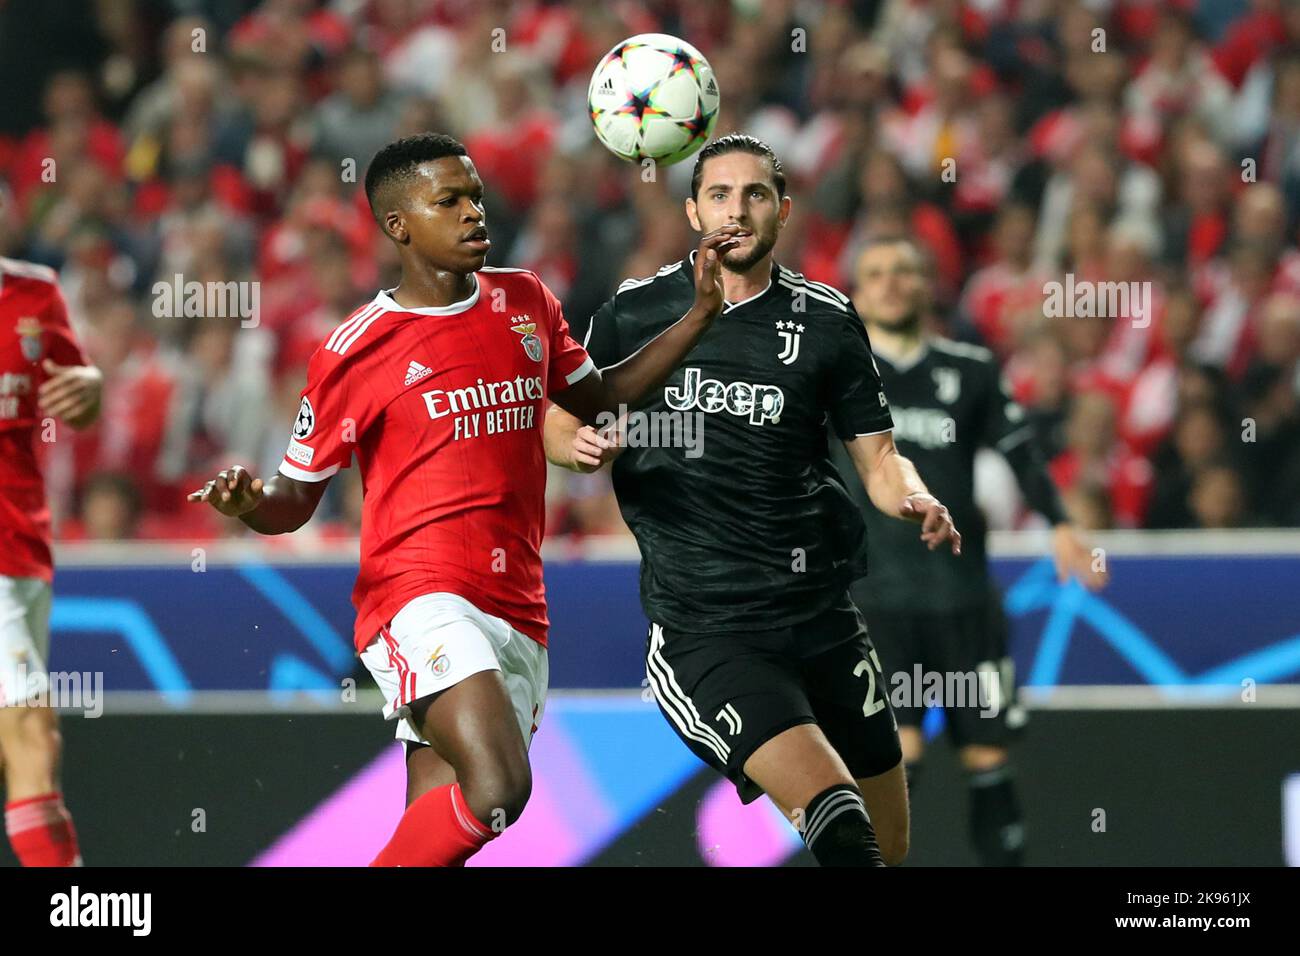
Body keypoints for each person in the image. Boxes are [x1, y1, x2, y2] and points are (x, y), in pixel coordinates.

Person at [189, 132, 744, 867]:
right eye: (447, 200)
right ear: (399, 225)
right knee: (499, 787)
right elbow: (295, 499)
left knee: (439, 824)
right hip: (417, 595)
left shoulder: (526, 302)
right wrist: (249, 501)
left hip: (517, 601)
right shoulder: (358, 348)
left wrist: (700, 315)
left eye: (476, 195)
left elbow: (602, 393)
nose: (473, 212)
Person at [545, 135, 962, 867]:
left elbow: (881, 459)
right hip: (710, 630)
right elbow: (558, 413)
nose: (736, 210)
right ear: (691, 209)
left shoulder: (829, 320)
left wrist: (919, 498)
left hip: (823, 618)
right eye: (719, 194)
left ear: (783, 210)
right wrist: (572, 445)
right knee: (840, 825)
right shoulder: (635, 312)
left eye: (755, 194)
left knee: (889, 851)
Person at [835, 235, 1107, 865]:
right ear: (856, 291)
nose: (891, 282)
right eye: (876, 273)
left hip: (963, 599)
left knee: (988, 757)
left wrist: (1060, 523)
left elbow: (1021, 451)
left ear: (928, 285)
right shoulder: (836, 371)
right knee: (894, 756)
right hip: (875, 602)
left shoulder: (972, 369)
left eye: (904, 269)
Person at [1, 254, 103, 866]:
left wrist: (89, 389)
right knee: (32, 731)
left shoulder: (34, 293)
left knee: (20, 743)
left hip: (23, 546)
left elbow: (78, 400)